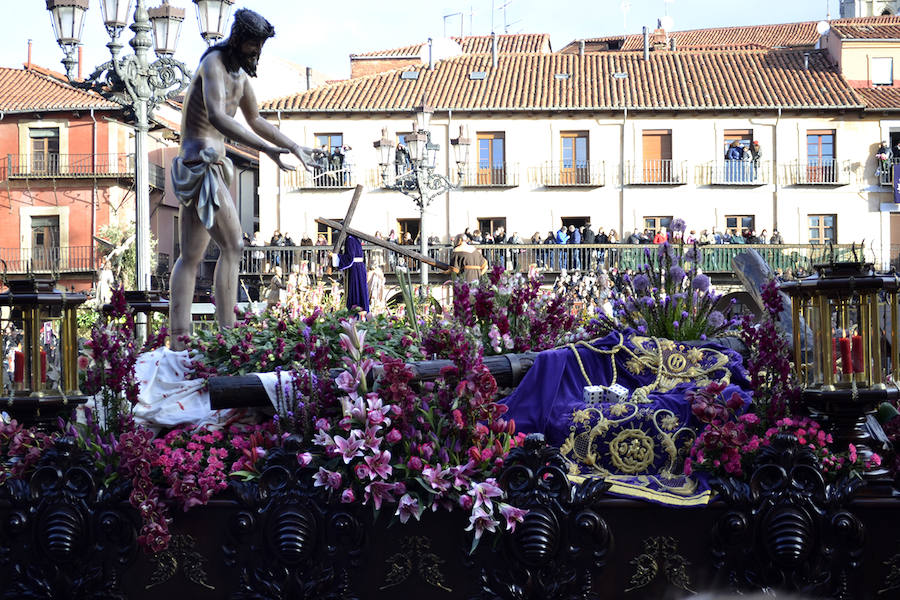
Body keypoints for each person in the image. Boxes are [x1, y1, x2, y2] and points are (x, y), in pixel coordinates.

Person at [167, 8, 319, 350]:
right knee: (233, 244)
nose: (257, 53)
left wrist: (292, 146)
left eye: (260, 47)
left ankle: (179, 337)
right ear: (238, 40)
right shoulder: (213, 65)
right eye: (253, 45)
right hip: (201, 162)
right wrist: (266, 150)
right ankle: (228, 335)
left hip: (209, 165)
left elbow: (257, 119)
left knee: (191, 254)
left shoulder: (240, 78)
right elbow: (219, 117)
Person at [331, 235, 369, 313]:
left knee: (355, 292)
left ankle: (354, 314)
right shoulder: (355, 239)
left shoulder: (350, 239)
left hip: (355, 271)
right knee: (361, 292)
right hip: (359, 268)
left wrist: (335, 257)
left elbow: (350, 259)